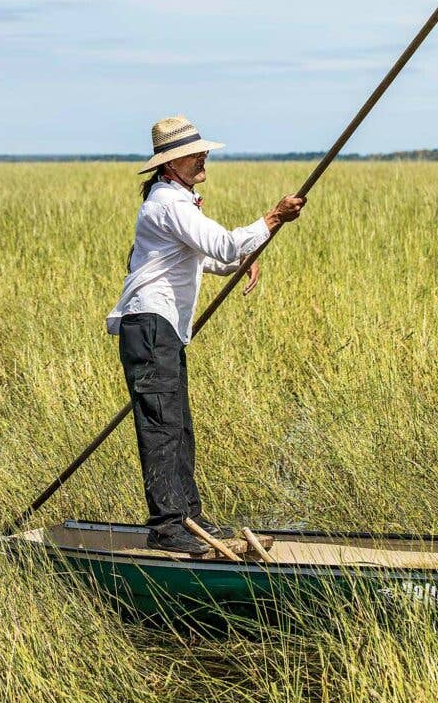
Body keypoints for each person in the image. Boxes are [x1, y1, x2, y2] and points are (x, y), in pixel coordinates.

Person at [107, 116, 304, 554]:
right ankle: (167, 526)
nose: (203, 158)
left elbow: (207, 256)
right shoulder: (168, 203)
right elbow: (222, 245)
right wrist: (272, 218)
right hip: (149, 326)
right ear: (171, 163)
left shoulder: (179, 201)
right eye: (195, 154)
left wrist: (241, 258)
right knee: (161, 427)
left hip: (163, 329)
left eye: (202, 151)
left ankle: (189, 517)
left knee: (177, 426)